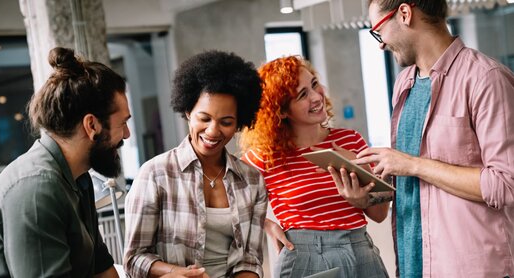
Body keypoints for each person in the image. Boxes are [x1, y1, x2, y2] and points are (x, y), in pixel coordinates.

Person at [353, 0, 514, 276]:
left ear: (404, 13)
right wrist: (366, 196)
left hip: (468, 268)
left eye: (379, 30)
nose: (380, 44)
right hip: (413, 264)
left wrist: (413, 164)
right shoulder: (404, 84)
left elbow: (506, 183)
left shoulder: (485, 78)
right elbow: (416, 188)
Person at [0, 47, 131, 277]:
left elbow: (102, 270)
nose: (127, 134)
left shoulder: (80, 178)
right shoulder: (36, 190)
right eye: (123, 123)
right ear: (92, 126)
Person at [240, 56, 391, 278]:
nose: (316, 96)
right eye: (302, 95)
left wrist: (360, 185)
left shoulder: (351, 141)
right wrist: (267, 225)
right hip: (305, 258)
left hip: (362, 251)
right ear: (281, 111)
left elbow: (379, 214)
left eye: (314, 85)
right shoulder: (265, 157)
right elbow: (225, 198)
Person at [123, 50, 267, 278]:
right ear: (188, 111)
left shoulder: (252, 180)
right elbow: (134, 259)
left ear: (239, 123)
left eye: (226, 122)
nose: (213, 131)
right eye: (204, 118)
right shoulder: (155, 174)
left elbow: (250, 258)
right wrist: (177, 273)